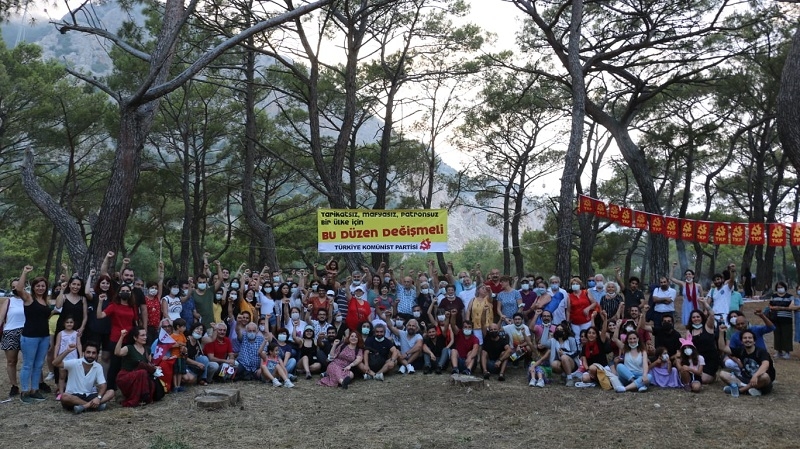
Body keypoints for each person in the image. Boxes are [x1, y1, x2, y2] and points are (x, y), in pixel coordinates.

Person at [17, 265, 52, 403]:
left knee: (38, 365)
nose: (40, 288)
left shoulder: (46, 301)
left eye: (43, 286)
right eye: (37, 286)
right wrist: (24, 272)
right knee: (28, 364)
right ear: (33, 287)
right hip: (30, 337)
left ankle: (34, 390)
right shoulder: (29, 299)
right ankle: (24, 392)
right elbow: (19, 289)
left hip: (44, 336)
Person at [96, 283, 140, 391]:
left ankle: (127, 387)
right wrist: (100, 302)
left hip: (129, 339)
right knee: (115, 365)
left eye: (127, 291)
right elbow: (99, 315)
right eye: (123, 291)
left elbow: (136, 322)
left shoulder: (132, 306)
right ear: (119, 293)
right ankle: (111, 389)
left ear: (130, 293)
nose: (125, 293)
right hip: (116, 339)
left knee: (128, 364)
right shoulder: (113, 305)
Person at [54, 341, 114, 414]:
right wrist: (67, 351)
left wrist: (98, 398)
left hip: (88, 395)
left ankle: (84, 407)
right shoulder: (74, 363)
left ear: (97, 355)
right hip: (73, 396)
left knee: (111, 392)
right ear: (83, 353)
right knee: (64, 396)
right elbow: (55, 363)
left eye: (93, 353)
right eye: (88, 352)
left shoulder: (98, 366)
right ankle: (93, 406)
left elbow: (103, 385)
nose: (90, 355)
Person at [719, 329, 775, 397]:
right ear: (742, 341)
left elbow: (765, 365)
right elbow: (723, 348)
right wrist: (721, 333)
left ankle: (741, 390)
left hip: (761, 381)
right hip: (746, 379)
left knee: (765, 376)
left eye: (750, 338)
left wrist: (756, 376)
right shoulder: (741, 351)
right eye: (745, 338)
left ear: (754, 341)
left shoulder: (761, 352)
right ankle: (751, 390)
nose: (747, 340)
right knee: (723, 374)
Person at [115, 327, 162, 407]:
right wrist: (122, 337)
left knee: (144, 373)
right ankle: (137, 398)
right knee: (142, 372)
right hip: (126, 376)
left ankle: (143, 397)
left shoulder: (147, 350)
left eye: (145, 335)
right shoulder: (129, 348)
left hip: (141, 377)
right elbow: (117, 352)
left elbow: (149, 364)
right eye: (142, 335)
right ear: (135, 337)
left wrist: (155, 368)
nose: (145, 337)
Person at [0, 278, 26, 397]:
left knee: (30, 360)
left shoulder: (28, 299)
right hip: (10, 332)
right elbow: (1, 319)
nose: (16, 288)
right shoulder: (9, 301)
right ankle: (14, 385)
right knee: (11, 361)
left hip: (27, 332)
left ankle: (37, 384)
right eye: (13, 287)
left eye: (18, 286)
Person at [687, 303, 719, 384]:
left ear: (702, 318)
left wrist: (704, 303)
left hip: (710, 359)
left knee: (704, 380)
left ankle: (711, 375)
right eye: (693, 317)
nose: (696, 319)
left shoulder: (708, 326)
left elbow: (712, 313)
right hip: (698, 359)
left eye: (698, 317)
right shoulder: (689, 331)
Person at [54, 316, 82, 400]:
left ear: (74, 324)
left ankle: (71, 392)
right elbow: (57, 345)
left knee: (72, 376)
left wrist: (80, 355)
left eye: (71, 322)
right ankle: (61, 393)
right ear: (64, 324)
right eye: (67, 322)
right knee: (62, 376)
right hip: (63, 358)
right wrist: (55, 356)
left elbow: (79, 344)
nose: (69, 324)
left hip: (73, 358)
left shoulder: (76, 333)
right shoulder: (61, 333)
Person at [768, 281, 797, 359]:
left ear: (785, 287)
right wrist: (772, 308)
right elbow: (770, 305)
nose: (780, 288)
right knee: (777, 335)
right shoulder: (773, 296)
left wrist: (780, 308)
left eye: (781, 287)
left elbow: (791, 307)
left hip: (787, 319)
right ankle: (778, 351)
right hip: (775, 318)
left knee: (786, 335)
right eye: (778, 287)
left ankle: (787, 352)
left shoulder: (790, 296)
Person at [549, 321, 580, 386]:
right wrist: (546, 327)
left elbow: (576, 352)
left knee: (564, 357)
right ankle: (564, 376)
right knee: (554, 364)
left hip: (572, 362)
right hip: (560, 362)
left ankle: (569, 378)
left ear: (565, 331)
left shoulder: (571, 339)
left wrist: (564, 353)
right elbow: (543, 342)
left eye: (561, 330)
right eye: (557, 329)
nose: (559, 331)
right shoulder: (554, 341)